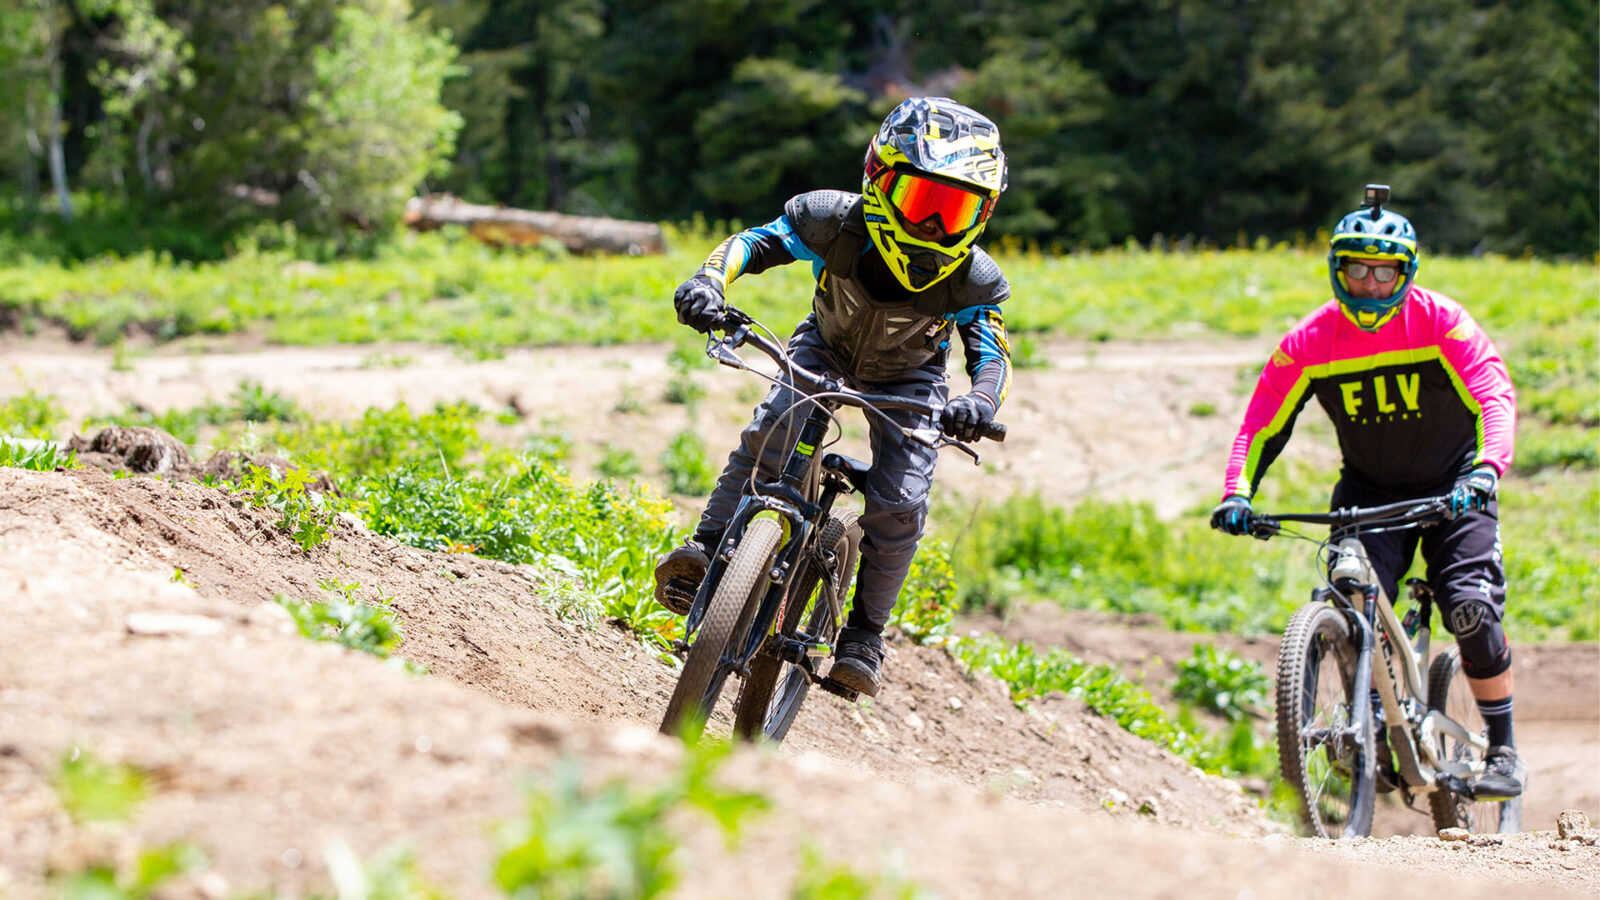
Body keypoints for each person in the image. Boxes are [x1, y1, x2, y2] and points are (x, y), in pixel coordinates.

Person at [653, 97, 1013, 698]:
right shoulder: (831, 221)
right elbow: (753, 243)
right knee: (774, 429)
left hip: (913, 383)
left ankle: (863, 638)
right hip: (823, 347)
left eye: (955, 211)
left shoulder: (975, 279)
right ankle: (709, 550)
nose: (931, 226)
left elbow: (992, 356)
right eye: (923, 201)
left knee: (899, 503)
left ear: (984, 215)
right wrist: (708, 281)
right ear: (879, 178)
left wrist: (979, 402)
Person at [1209, 185, 1524, 800]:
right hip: (1369, 493)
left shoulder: (1441, 321)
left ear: (1405, 273)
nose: (1371, 284)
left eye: (1385, 272)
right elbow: (1261, 425)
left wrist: (1486, 469)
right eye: (1358, 269)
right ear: (1338, 270)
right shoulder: (1310, 341)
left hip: (1456, 486)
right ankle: (1369, 717)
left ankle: (1505, 748)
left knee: (1469, 607)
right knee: (1347, 594)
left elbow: (1494, 397)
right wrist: (1237, 494)